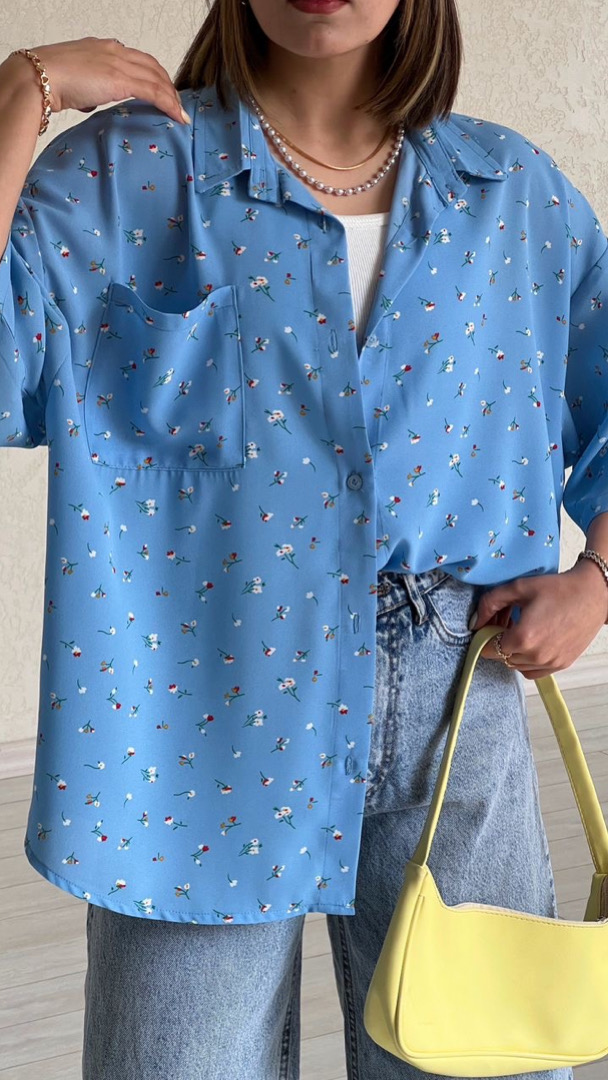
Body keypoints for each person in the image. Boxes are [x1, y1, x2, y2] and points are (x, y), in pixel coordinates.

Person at [1, 1, 607, 1077]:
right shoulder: (118, 180)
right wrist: (20, 92)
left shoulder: (509, 192)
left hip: (454, 694)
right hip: (190, 712)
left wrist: (596, 578)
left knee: (483, 1057)